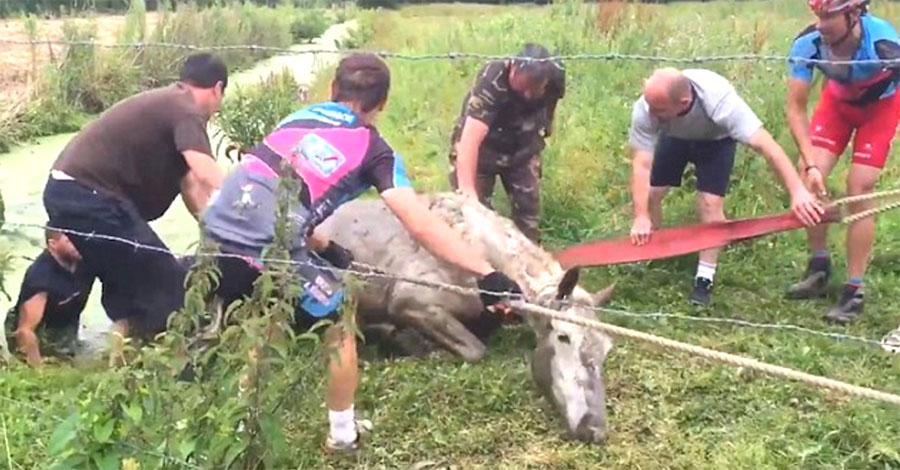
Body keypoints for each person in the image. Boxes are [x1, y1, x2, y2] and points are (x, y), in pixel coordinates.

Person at [201, 53, 524, 452]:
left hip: (214, 231)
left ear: (333, 89)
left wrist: (326, 248)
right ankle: (342, 435)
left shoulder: (297, 119)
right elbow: (420, 223)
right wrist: (487, 274)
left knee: (264, 312)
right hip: (269, 247)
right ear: (382, 103)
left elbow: (282, 191)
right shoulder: (374, 150)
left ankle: (234, 424)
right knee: (340, 320)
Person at [41, 53, 227, 340]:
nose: (216, 110)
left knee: (128, 279)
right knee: (164, 280)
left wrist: (213, 232)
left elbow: (190, 184)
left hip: (71, 192)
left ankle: (118, 347)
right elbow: (205, 172)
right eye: (220, 100)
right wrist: (247, 210)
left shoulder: (169, 102)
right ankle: (163, 355)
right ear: (217, 89)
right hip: (90, 196)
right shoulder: (187, 109)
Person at [628, 67, 823, 306]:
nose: (652, 115)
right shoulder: (647, 108)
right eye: (650, 107)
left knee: (710, 204)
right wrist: (640, 216)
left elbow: (768, 147)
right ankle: (648, 249)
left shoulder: (719, 101)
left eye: (659, 110)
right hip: (675, 138)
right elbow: (642, 164)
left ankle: (704, 277)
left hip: (716, 142)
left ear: (684, 102)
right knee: (651, 194)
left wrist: (798, 192)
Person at [785, 0, 900, 323]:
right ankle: (818, 266)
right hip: (836, 106)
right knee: (810, 178)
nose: (821, 24)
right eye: (817, 16)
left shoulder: (884, 43)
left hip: (881, 110)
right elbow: (795, 108)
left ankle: (854, 289)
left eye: (829, 17)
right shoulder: (807, 43)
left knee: (859, 187)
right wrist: (809, 165)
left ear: (853, 15)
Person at [448, 43, 565, 243]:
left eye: (534, 89)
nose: (528, 95)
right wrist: (468, 194)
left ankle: (528, 265)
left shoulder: (555, 75)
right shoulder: (492, 79)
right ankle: (479, 265)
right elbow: (469, 140)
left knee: (528, 217)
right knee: (472, 218)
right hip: (484, 149)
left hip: (522, 148)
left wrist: (547, 124)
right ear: (512, 68)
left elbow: (552, 101)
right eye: (523, 87)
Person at [6, 229, 93, 366]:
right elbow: (25, 331)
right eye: (69, 241)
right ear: (53, 244)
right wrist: (38, 371)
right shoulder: (41, 279)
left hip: (64, 319)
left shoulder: (84, 258)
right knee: (58, 370)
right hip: (39, 330)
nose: (78, 243)